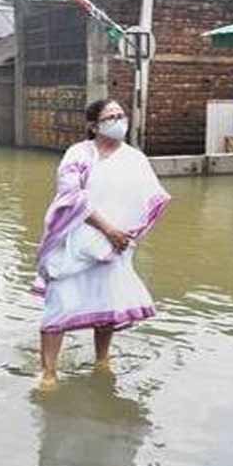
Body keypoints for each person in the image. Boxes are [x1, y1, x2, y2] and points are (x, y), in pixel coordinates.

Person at [33, 99, 170, 389]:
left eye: (121, 114)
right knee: (58, 304)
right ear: (94, 126)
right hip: (76, 242)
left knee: (107, 304)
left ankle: (102, 359)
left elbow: (149, 199)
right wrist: (107, 229)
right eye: (111, 116)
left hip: (116, 244)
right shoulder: (79, 154)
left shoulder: (135, 159)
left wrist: (125, 235)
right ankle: (48, 372)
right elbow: (70, 197)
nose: (119, 120)